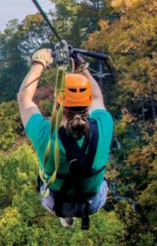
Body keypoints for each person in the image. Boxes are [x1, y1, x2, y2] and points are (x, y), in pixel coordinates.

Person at [17, 48, 113, 229]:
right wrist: (82, 67)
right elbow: (98, 97)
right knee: (95, 173)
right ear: (88, 103)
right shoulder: (103, 124)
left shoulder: (45, 134)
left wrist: (39, 63)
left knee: (45, 173)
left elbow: (24, 98)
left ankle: (66, 214)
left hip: (56, 202)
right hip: (92, 203)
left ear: (58, 104)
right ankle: (72, 210)